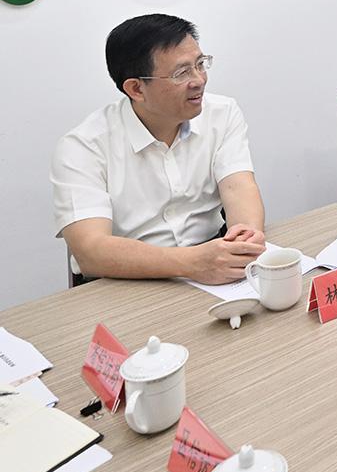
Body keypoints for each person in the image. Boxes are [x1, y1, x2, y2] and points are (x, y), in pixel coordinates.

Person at [51, 14, 266, 285]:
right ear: (136, 89)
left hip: (213, 265)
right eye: (181, 73)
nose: (199, 80)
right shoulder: (83, 147)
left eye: (200, 64)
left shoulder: (222, 113)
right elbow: (91, 251)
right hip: (124, 281)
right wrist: (193, 263)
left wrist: (245, 242)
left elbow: (240, 187)